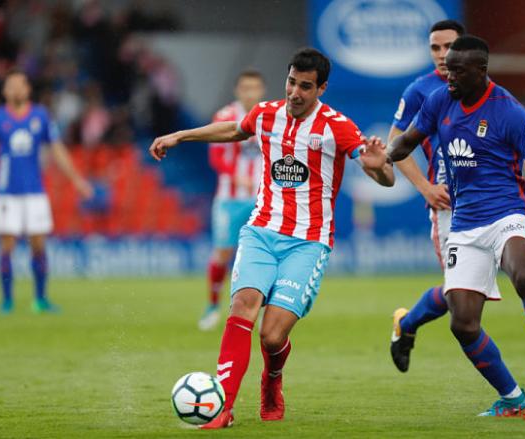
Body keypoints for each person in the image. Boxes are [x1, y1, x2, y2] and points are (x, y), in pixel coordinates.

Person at [149, 48, 394, 429]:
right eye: (292, 82)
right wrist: (180, 135)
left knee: (272, 334)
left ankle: (272, 381)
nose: (295, 92)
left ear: (321, 88)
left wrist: (380, 171)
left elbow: (380, 172)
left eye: (306, 87)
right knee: (243, 306)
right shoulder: (266, 114)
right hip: (261, 231)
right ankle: (222, 408)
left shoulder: (336, 126)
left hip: (308, 242)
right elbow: (234, 129)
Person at [387, 35, 525, 416]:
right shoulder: (438, 100)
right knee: (462, 323)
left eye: (457, 70)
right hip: (464, 224)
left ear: (481, 71)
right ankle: (513, 399)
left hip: (508, 214)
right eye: (446, 68)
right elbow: (408, 141)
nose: (448, 76)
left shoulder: (508, 110)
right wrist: (384, 154)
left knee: (524, 278)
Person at [389, 20, 525, 373]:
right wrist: (426, 188)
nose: (442, 55)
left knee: (482, 287)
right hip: (449, 205)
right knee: (457, 294)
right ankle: (408, 324)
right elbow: (395, 143)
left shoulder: (486, 90)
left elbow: (505, 134)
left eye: (448, 47)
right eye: (435, 48)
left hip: (495, 204)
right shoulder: (421, 91)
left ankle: (408, 323)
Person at [0, 70, 93, 314]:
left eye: (20, 85)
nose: (16, 89)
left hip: (35, 190)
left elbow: (57, 150)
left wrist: (77, 180)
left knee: (38, 244)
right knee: (6, 245)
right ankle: (7, 301)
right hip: (7, 191)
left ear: (27, 90)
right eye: (11, 85)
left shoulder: (40, 116)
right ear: (5, 91)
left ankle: (40, 299)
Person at [199, 69, 266, 331]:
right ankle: (212, 305)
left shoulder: (270, 117)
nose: (250, 93)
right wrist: (237, 179)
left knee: (262, 253)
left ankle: (259, 308)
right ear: (238, 90)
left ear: (261, 90)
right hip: (230, 198)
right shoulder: (225, 117)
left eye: (255, 88)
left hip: (263, 199)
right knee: (223, 251)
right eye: (245, 88)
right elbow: (215, 157)